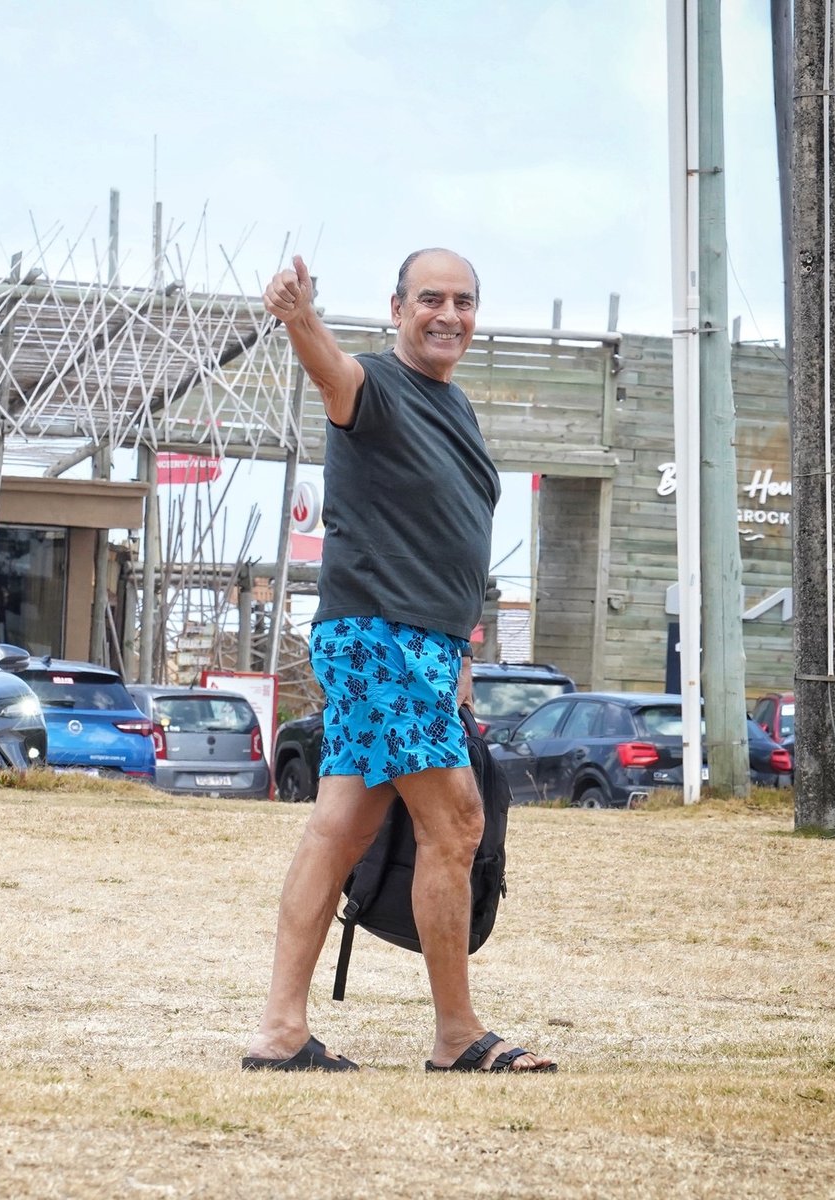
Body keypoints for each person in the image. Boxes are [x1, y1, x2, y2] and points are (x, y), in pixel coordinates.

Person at [242, 250, 556, 1074]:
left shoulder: (454, 407)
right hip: (381, 635)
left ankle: (280, 1033)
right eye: (429, 299)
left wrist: (460, 657)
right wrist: (300, 318)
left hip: (420, 644)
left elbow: (449, 537)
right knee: (455, 823)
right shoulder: (376, 387)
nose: (447, 314)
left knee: (340, 828)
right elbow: (332, 374)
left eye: (463, 301)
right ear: (396, 308)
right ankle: (457, 1035)